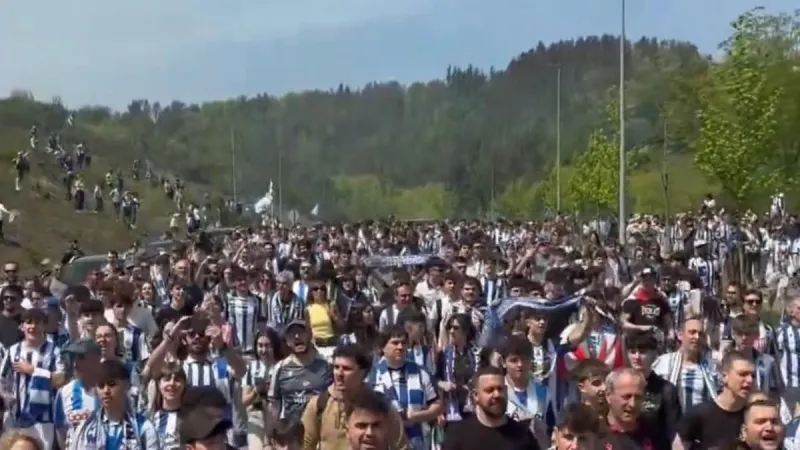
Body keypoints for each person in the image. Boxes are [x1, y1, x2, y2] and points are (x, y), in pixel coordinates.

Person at [301, 345, 408, 450]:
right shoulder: (319, 405)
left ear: (363, 373)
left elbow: (401, 446)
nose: (339, 374)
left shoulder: (381, 405)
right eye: (336, 367)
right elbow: (304, 446)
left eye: (347, 369)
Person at [66, 359, 161, 450]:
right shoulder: (83, 426)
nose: (106, 391)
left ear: (126, 385)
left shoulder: (144, 428)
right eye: (101, 386)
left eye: (112, 384)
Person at [441, 366, 540, 450]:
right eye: (489, 390)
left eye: (500, 389)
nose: (496, 394)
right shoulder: (457, 436)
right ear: (476, 395)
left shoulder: (522, 435)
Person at [674, 350, 754, 450]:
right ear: (724, 376)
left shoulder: (753, 417)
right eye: (743, 374)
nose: (750, 380)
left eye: (752, 375)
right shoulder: (699, 414)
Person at [624, 333, 681, 440]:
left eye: (642, 352)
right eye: (632, 352)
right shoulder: (619, 385)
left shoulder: (666, 390)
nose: (637, 357)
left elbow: (673, 431)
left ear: (654, 354)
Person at [600, 367, 666, 450]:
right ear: (608, 396)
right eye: (626, 397)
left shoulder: (654, 432)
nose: (633, 404)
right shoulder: (594, 435)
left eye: (638, 397)